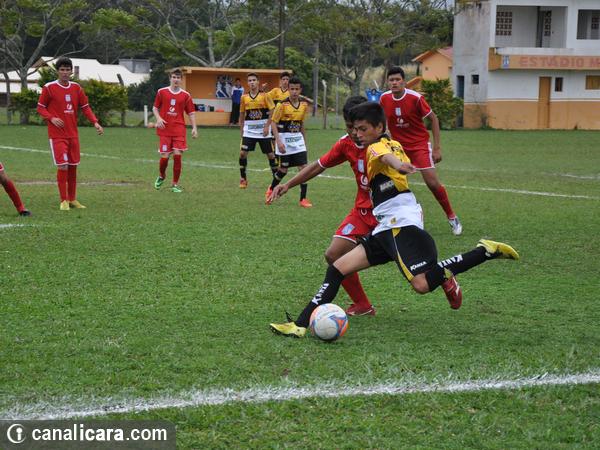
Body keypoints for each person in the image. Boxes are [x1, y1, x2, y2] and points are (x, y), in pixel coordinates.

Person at [270, 102, 519, 338]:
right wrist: (399, 164)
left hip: (400, 224)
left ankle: (484, 252)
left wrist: (398, 165)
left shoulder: (376, 147)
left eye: (363, 129)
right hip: (384, 226)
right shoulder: (390, 143)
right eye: (354, 129)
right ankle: (299, 325)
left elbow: (385, 157)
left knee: (422, 285)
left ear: (379, 127)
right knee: (337, 267)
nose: (357, 134)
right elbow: (387, 157)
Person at [268, 96, 376, 316]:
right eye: (349, 127)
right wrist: (288, 184)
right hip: (362, 211)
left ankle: (442, 279)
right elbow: (318, 165)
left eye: (359, 128)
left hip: (389, 212)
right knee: (334, 254)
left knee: (415, 274)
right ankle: (363, 305)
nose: (354, 133)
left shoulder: (384, 145)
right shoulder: (346, 143)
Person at [379, 66, 462, 235]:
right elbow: (382, 120)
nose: (394, 83)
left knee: (432, 183)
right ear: (388, 82)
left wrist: (436, 148)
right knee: (389, 183)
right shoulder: (384, 98)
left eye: (397, 80)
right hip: (398, 148)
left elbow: (433, 119)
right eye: (391, 80)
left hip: (419, 146)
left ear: (404, 82)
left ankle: (452, 217)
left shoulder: (415, 98)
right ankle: (392, 219)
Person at [37, 57, 103, 210]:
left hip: (73, 134)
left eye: (68, 70)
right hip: (57, 135)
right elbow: (40, 107)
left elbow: (85, 107)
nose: (65, 72)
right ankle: (64, 200)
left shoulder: (76, 88)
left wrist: (95, 122)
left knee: (73, 166)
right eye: (62, 70)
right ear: (57, 71)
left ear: (71, 71)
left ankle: (72, 199)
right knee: (63, 166)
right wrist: (51, 118)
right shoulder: (49, 87)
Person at [266, 76, 312, 208]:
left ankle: (303, 199)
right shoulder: (282, 105)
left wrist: (304, 141)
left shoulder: (304, 105)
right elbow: (273, 123)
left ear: (300, 90)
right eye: (292, 89)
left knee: (304, 169)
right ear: (288, 90)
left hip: (298, 140)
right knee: (283, 170)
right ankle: (271, 189)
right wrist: (278, 141)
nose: (294, 92)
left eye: (297, 89)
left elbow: (301, 124)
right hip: (284, 140)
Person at [152, 68, 198, 193]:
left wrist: (194, 128)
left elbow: (191, 112)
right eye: (174, 77)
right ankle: (162, 176)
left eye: (178, 77)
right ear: (170, 78)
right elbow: (155, 108)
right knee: (164, 157)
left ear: (181, 80)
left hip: (179, 129)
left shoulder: (186, 95)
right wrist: (159, 118)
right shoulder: (162, 92)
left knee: (178, 156)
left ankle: (175, 184)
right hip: (165, 130)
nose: (176, 79)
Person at [238, 72, 277, 189]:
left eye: (254, 80)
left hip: (263, 131)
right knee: (242, 153)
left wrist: (267, 126)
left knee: (271, 155)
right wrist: (241, 128)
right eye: (250, 80)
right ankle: (243, 178)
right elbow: (242, 113)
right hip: (249, 131)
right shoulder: (244, 97)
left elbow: (272, 111)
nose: (252, 82)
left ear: (258, 82)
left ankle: (276, 180)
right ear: (247, 83)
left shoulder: (265, 96)